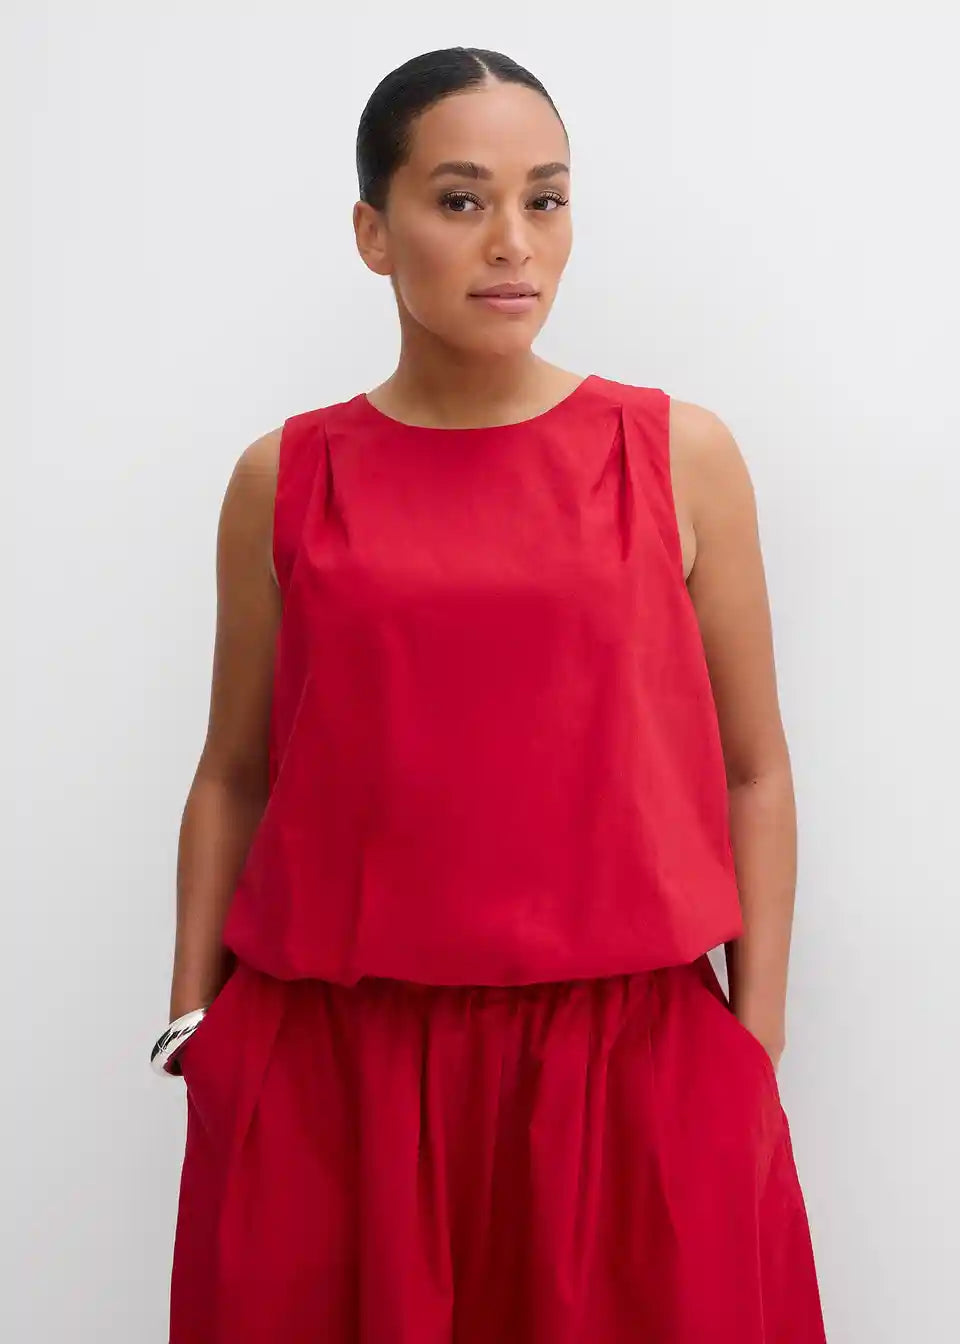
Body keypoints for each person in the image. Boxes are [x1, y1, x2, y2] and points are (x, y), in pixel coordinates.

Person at [152, 45, 827, 1344]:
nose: (513, 241)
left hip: (626, 1068)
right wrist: (192, 1021)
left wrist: (753, 1046)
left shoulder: (676, 457)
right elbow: (234, 770)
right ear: (373, 231)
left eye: (545, 199)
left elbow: (755, 766)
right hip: (337, 1072)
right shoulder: (285, 480)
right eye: (461, 200)